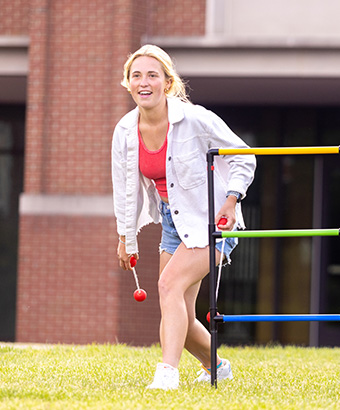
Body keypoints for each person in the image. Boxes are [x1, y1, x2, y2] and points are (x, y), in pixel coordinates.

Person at [112, 44, 256, 390]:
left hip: (213, 220)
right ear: (128, 84)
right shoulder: (125, 131)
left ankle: (167, 374)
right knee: (179, 312)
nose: (144, 82)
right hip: (172, 222)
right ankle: (217, 366)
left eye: (152, 75)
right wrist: (125, 238)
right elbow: (125, 188)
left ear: (167, 82)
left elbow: (244, 157)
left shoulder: (195, 119)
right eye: (136, 76)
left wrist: (232, 201)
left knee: (167, 285)